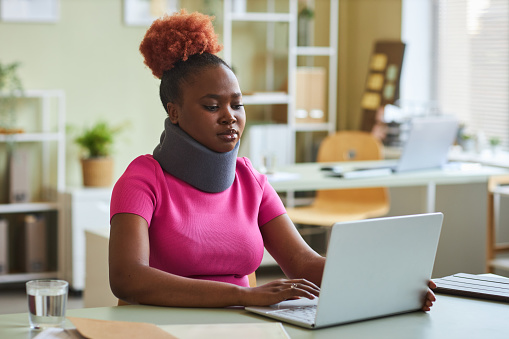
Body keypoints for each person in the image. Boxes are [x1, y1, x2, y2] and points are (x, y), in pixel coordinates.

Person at [108, 9, 436, 311]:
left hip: (243, 326)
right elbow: (127, 277)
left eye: (237, 105)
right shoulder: (142, 179)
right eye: (212, 106)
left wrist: (389, 283)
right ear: (174, 112)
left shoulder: (249, 179)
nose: (229, 117)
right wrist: (243, 295)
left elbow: (303, 263)